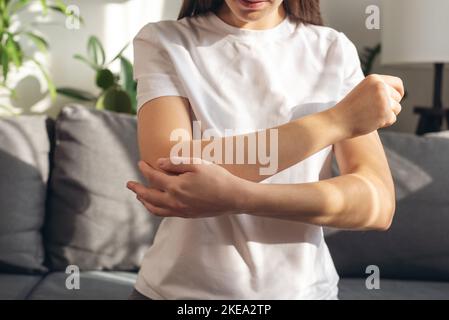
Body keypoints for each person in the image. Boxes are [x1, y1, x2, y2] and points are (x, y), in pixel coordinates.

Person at [127, 0, 404, 300]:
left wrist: (240, 197)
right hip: (176, 294)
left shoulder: (333, 50)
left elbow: (376, 203)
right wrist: (336, 121)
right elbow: (169, 167)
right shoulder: (165, 41)